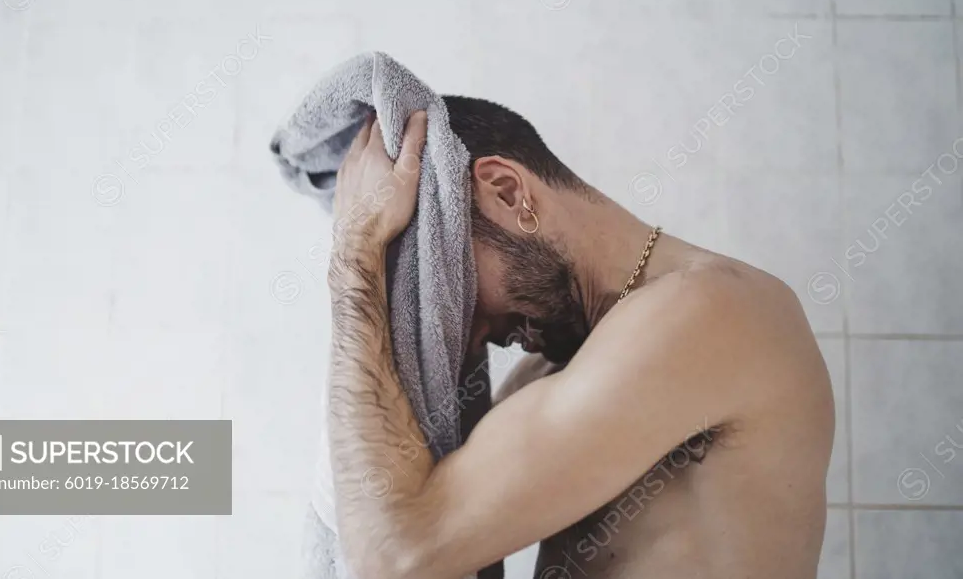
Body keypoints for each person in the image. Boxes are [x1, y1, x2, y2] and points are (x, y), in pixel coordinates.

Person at [324, 98, 834, 579]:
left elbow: (399, 552)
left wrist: (354, 258)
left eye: (456, 289)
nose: (474, 338)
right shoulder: (546, 374)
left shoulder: (711, 309)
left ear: (507, 191)